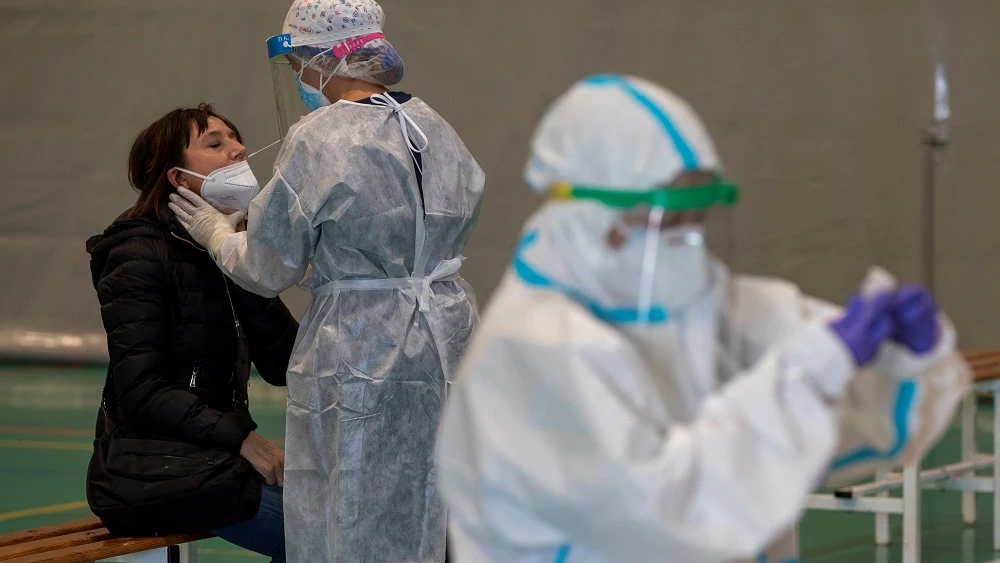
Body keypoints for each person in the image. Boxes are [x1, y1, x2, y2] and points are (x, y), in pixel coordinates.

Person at [434, 74, 970, 563]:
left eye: (697, 220)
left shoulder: (702, 307)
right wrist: (811, 373)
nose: (686, 245)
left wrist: (897, 363)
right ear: (595, 217)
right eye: (668, 220)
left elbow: (817, 438)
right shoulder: (534, 350)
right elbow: (670, 515)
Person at [167, 1, 485, 561]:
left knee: (349, 502)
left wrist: (218, 234)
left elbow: (266, 267)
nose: (300, 81)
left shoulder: (321, 137)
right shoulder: (435, 126)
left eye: (298, 67)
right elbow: (415, 231)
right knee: (433, 498)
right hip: (448, 336)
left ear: (321, 59)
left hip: (362, 344)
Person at [86, 104, 298, 563]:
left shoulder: (222, 244)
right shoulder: (137, 254)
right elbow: (142, 392)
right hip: (151, 474)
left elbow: (284, 364)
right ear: (178, 179)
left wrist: (239, 259)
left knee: (365, 520)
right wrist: (244, 439)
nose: (239, 149)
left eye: (235, 138)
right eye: (215, 143)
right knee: (335, 541)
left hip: (211, 461)